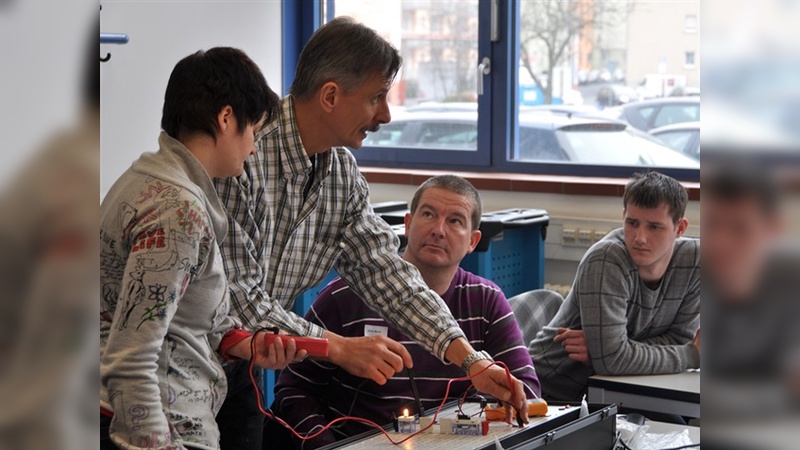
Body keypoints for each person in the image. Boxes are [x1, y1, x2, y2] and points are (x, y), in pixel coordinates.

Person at [214, 17, 528, 448]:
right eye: (376, 98)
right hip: (179, 364)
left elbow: (389, 277)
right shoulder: (244, 153)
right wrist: (339, 348)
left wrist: (469, 360)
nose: (386, 114)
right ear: (330, 96)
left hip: (239, 369)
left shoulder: (341, 173)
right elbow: (238, 297)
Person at [100, 47, 304, 450]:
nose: (253, 148)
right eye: (253, 131)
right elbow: (131, 357)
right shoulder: (178, 210)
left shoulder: (141, 179)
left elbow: (171, 321)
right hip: (163, 427)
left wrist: (243, 342)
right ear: (226, 118)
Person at [271, 175, 541, 447]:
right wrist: (327, 446)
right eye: (428, 214)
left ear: (473, 241)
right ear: (408, 224)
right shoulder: (343, 297)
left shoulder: (486, 300)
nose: (438, 230)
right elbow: (294, 391)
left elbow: (526, 392)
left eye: (454, 221)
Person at [529, 171, 700, 402]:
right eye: (632, 223)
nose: (640, 237)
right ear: (623, 217)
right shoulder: (606, 259)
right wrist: (692, 355)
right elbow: (613, 360)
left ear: (680, 228)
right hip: (551, 394)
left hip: (624, 387)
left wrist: (611, 349)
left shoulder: (697, 262)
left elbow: (677, 338)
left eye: (654, 227)